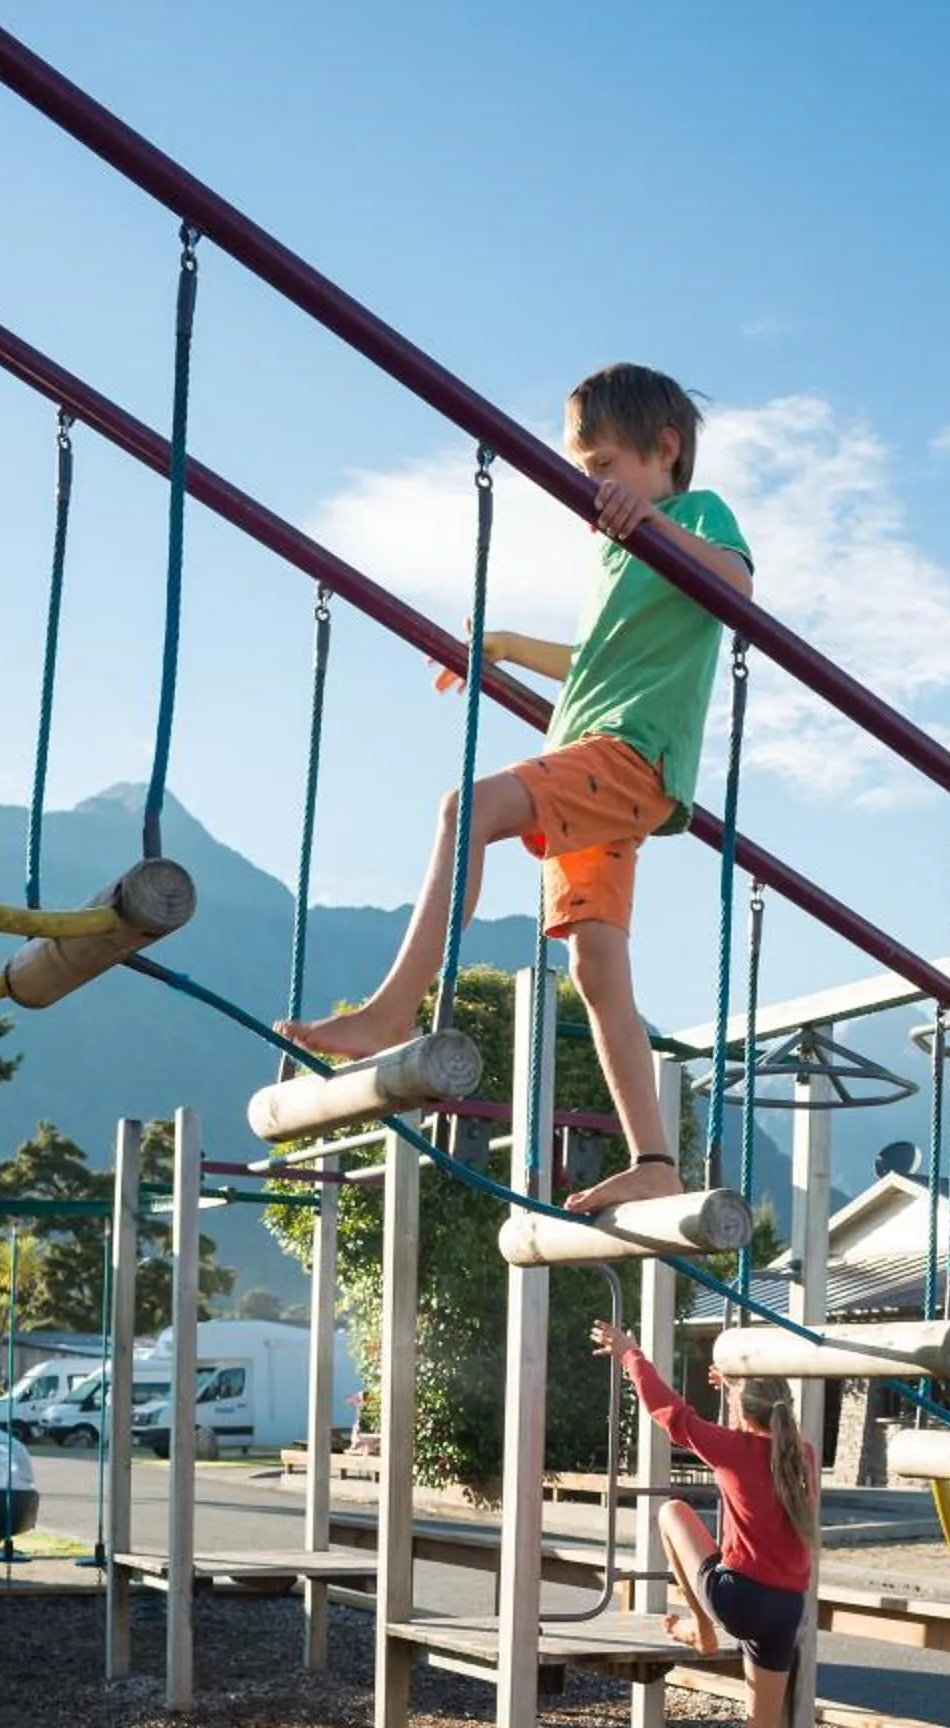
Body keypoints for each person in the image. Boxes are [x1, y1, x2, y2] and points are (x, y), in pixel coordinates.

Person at [278, 364, 752, 1216]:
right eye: (583, 472)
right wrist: (501, 646)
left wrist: (653, 520)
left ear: (665, 450)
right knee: (596, 967)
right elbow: (591, 662)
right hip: (591, 754)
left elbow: (737, 585)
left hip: (629, 755)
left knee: (467, 809)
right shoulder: (618, 553)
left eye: (604, 467)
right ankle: (654, 1159)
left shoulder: (693, 515)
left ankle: (393, 1009)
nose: (593, 490)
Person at [591, 1321, 816, 1728]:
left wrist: (631, 1355)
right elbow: (755, 1438)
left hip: (734, 1599)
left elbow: (670, 1414)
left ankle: (700, 1627)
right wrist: (735, 1394)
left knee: (670, 1512)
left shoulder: (733, 1450)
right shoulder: (804, 1458)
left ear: (742, 1411)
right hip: (784, 1613)